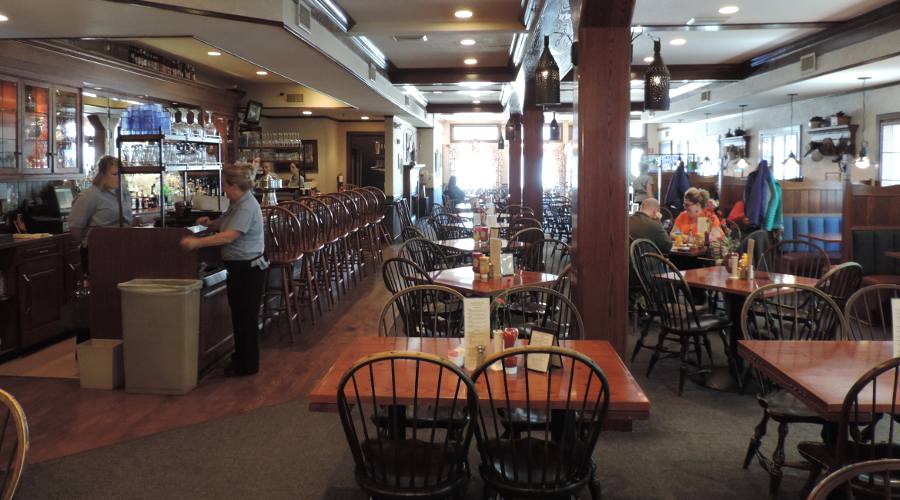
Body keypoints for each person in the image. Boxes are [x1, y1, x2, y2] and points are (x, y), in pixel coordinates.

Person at [180, 164, 266, 377]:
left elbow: (230, 235)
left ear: (234, 185)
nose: (223, 189)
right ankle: (242, 358)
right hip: (241, 267)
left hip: (248, 269)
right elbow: (227, 224)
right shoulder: (238, 203)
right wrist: (211, 224)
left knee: (245, 317)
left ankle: (247, 365)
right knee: (240, 316)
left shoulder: (246, 206)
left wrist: (197, 243)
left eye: (225, 185)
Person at [68, 155, 134, 275]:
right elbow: (75, 227)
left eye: (121, 175)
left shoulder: (124, 193)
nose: (120, 178)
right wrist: (90, 242)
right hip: (99, 250)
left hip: (122, 248)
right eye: (114, 174)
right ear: (102, 174)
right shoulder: (90, 195)